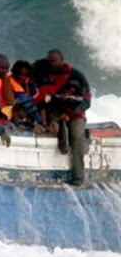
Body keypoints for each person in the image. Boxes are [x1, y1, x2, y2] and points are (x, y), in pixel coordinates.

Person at [39, 49, 91, 185]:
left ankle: (78, 176)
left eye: (54, 61)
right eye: (49, 61)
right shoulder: (45, 76)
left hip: (74, 114)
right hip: (54, 114)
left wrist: (70, 112)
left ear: (62, 60)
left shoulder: (77, 76)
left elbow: (86, 101)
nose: (51, 64)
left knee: (76, 135)